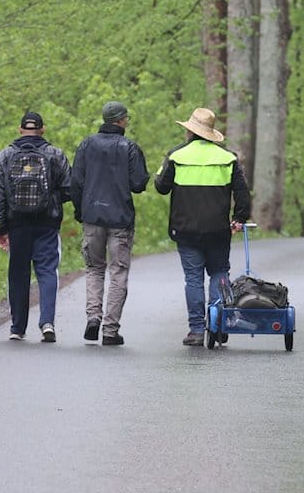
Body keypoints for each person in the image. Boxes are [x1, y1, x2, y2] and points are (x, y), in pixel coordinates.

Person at [154, 108, 251, 346]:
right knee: (219, 274)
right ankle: (219, 325)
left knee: (193, 279)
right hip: (218, 231)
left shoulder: (176, 156)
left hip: (185, 231)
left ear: (190, 130)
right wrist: (239, 218)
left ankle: (197, 330)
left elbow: (161, 186)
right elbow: (242, 193)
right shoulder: (228, 158)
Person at [71, 101, 150, 346]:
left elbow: (76, 181)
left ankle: (93, 317)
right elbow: (138, 184)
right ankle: (110, 330)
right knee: (118, 271)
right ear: (121, 120)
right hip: (120, 219)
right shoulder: (130, 147)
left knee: (94, 268)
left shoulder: (86, 145)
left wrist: (80, 210)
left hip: (92, 216)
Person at [0, 111, 72, 342]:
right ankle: (47, 323)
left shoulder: (5, 156)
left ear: (19, 129)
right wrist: (51, 200)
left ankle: (17, 327)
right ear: (42, 129)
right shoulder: (55, 155)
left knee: (18, 273)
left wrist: (0, 229)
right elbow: (69, 188)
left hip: (17, 224)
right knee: (47, 271)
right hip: (47, 223)